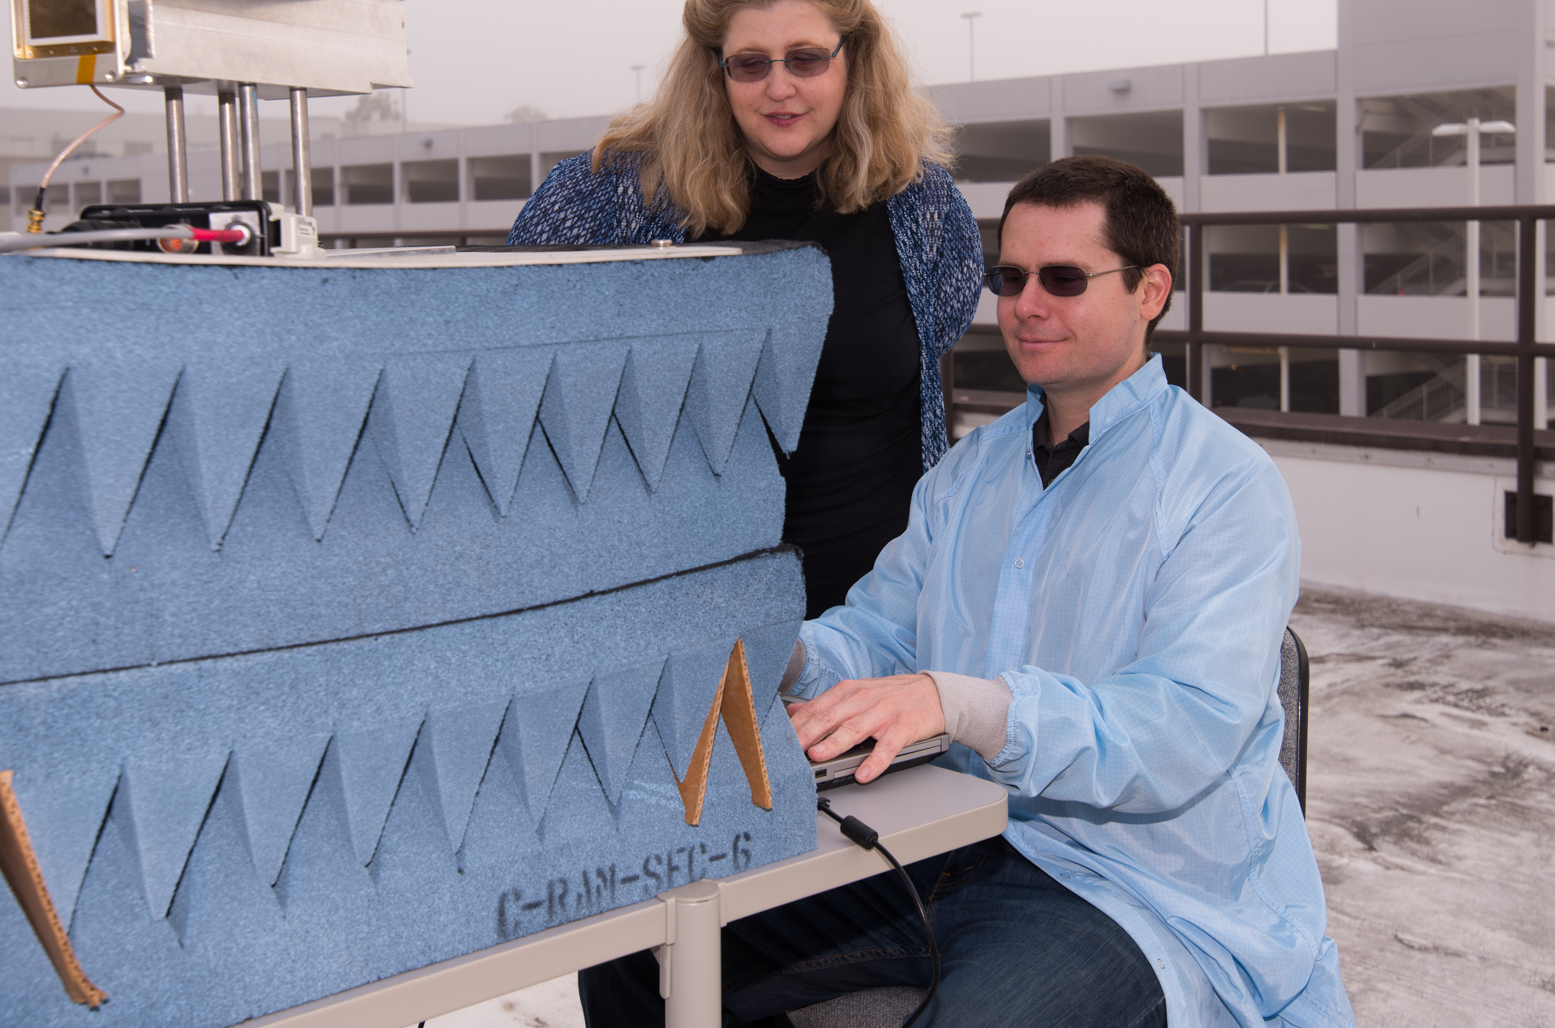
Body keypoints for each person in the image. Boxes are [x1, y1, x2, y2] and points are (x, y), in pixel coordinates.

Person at [579, 156, 1354, 1028]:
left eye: (1064, 278)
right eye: (1011, 276)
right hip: (944, 845)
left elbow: (1185, 726)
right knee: (636, 953)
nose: (1026, 304)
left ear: (1150, 290)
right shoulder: (970, 472)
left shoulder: (1223, 486)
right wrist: (778, 647)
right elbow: (882, 635)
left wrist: (966, 705)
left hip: (1128, 887)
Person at [509, 0, 983, 619]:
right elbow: (522, 364)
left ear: (854, 61)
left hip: (876, 626)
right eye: (750, 63)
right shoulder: (607, 196)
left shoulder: (922, 203)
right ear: (714, 72)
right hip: (675, 626)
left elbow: (939, 336)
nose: (779, 86)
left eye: (807, 58)